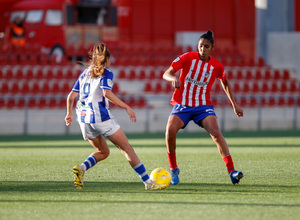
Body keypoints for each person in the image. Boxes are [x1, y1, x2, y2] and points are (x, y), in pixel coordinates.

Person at [65, 43, 164, 190]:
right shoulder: (106, 72)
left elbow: (70, 97)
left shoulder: (85, 72)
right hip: (100, 118)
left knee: (104, 152)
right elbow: (107, 93)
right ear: (107, 59)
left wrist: (69, 114)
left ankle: (81, 168)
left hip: (83, 118)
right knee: (127, 149)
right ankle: (148, 183)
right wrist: (126, 107)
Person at [162, 30, 244, 185]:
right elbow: (167, 72)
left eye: (206, 46)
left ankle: (232, 171)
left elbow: (225, 82)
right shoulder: (187, 58)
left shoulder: (216, 66)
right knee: (169, 132)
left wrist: (234, 105)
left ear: (212, 48)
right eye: (201, 46)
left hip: (202, 106)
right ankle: (173, 169)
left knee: (216, 133)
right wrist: (173, 78)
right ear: (197, 46)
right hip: (183, 104)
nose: (203, 49)